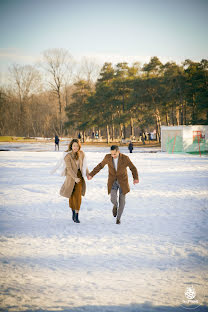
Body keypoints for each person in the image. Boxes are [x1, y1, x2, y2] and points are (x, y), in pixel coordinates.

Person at [88, 145, 139, 224]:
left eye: (114, 154)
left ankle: (118, 218)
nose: (113, 156)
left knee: (122, 201)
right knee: (113, 198)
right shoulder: (107, 157)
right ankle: (115, 205)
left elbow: (133, 168)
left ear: (118, 152)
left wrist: (135, 178)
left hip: (123, 182)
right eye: (111, 154)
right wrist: (91, 174)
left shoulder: (125, 158)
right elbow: (100, 166)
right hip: (113, 181)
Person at [59, 139, 89, 223]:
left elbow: (84, 165)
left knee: (78, 196)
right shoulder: (67, 156)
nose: (75, 147)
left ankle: (76, 214)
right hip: (71, 177)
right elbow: (69, 169)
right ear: (71, 146)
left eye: (77, 146)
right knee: (72, 195)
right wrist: (74, 178)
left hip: (79, 177)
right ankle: (73, 211)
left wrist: (88, 173)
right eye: (74, 145)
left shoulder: (82, 154)